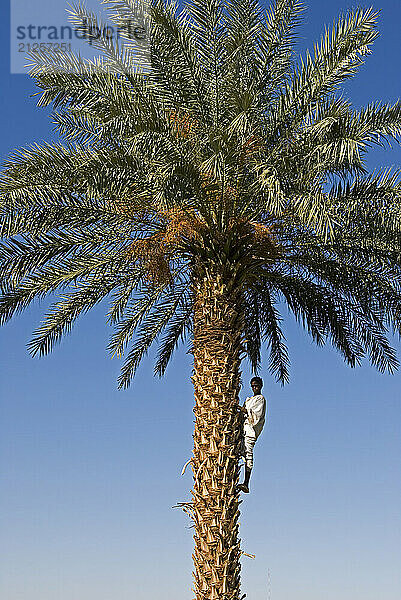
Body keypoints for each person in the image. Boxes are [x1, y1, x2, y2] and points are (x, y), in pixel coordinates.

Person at [237, 376, 266, 494]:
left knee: (248, 454)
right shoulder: (249, 399)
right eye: (253, 386)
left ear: (260, 386)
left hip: (250, 431)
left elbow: (256, 415)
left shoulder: (260, 399)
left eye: (256, 386)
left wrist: (240, 409)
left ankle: (246, 482)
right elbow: (243, 411)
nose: (254, 388)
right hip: (243, 429)